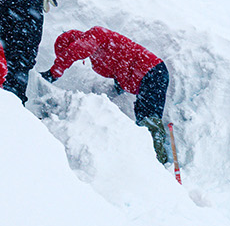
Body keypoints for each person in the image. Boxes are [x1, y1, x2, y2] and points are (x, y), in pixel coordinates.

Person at [44, 27, 173, 164]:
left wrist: (54, 72)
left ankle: (159, 162)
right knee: (143, 119)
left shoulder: (96, 34)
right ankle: (152, 157)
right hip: (145, 78)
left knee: (148, 120)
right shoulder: (97, 54)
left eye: (67, 52)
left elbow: (78, 51)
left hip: (152, 72)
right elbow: (118, 64)